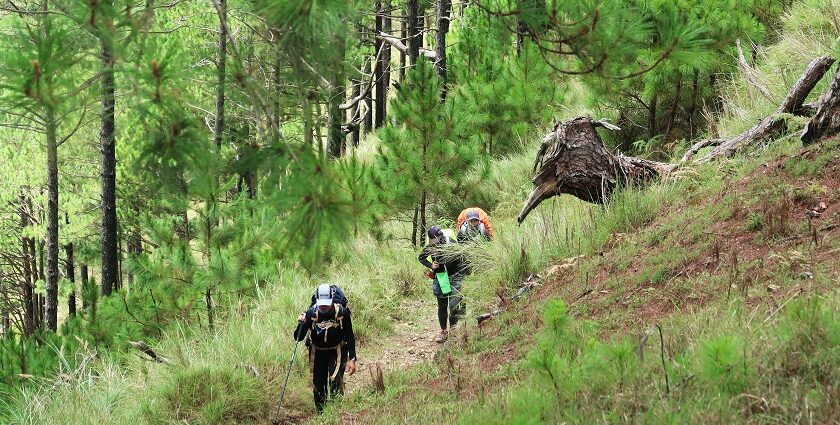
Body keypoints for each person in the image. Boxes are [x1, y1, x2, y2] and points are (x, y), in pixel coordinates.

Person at [294, 284, 357, 413]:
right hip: (318, 352)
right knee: (318, 384)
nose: (324, 307)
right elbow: (298, 338)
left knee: (335, 382)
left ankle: (335, 412)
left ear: (331, 300)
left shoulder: (342, 313)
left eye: (326, 304)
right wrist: (300, 324)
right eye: (321, 304)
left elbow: (350, 335)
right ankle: (321, 414)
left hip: (337, 350)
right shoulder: (311, 313)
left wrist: (352, 359)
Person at [418, 225, 466, 343]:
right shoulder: (431, 247)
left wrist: (463, 275)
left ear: (441, 237)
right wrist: (431, 266)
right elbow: (421, 257)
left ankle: (454, 330)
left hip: (455, 276)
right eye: (431, 241)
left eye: (435, 240)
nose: (433, 243)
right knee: (442, 305)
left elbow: (462, 258)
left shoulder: (451, 244)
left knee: (454, 304)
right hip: (441, 277)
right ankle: (443, 331)